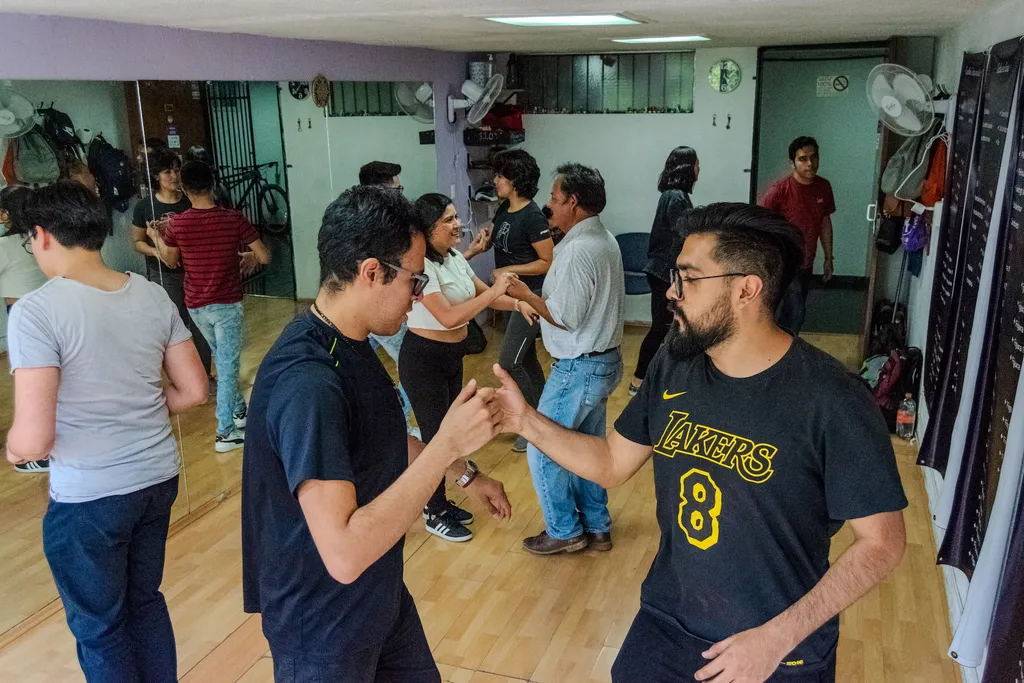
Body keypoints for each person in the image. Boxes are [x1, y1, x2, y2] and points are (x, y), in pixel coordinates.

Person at [492, 202, 908, 682]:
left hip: (777, 646)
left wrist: (776, 637)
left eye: (687, 278)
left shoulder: (832, 399)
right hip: (668, 619)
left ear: (747, 289)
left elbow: (882, 543)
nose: (670, 292)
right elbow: (610, 462)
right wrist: (526, 422)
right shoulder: (675, 364)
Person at [241, 185, 511, 682]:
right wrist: (449, 442)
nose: (418, 293)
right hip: (323, 625)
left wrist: (466, 474)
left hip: (378, 596)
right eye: (414, 279)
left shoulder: (348, 341)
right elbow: (343, 553)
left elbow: (381, 438)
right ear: (370, 272)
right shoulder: (308, 383)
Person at [5, 181, 208, 682]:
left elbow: (33, 441)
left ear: (42, 235)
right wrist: (133, 405)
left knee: (100, 627)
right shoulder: (151, 294)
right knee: (143, 602)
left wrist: (12, 450)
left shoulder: (36, 311)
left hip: (90, 497)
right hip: (156, 480)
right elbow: (195, 391)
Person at [505, 163, 625, 555]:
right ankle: (596, 527)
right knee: (588, 449)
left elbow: (567, 316)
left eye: (555, 199)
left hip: (579, 368)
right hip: (601, 361)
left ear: (574, 202)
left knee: (543, 446)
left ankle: (564, 530)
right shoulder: (604, 239)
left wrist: (525, 295)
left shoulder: (577, 251)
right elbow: (573, 309)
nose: (548, 206)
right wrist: (536, 307)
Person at [400, 192, 534, 542]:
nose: (457, 224)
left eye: (455, 216)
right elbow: (448, 316)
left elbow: (484, 292)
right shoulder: (422, 267)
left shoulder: (454, 257)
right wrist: (493, 295)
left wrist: (519, 303)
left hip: (450, 357)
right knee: (436, 439)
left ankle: (441, 501)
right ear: (428, 229)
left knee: (450, 434)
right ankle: (433, 510)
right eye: (448, 219)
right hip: (423, 358)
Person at [149, 160, 270, 453]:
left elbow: (171, 261)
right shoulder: (233, 219)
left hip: (196, 305)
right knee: (228, 367)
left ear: (184, 189)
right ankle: (224, 432)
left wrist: (154, 236)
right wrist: (249, 258)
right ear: (214, 185)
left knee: (222, 360)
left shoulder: (178, 224)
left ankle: (240, 413)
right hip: (226, 304)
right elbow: (264, 256)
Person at [479, 149, 553, 453]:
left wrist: (509, 270)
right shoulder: (504, 209)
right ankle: (549, 418)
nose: (495, 181)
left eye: (501, 177)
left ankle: (534, 426)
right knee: (526, 359)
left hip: (529, 300)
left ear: (516, 181)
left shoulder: (533, 215)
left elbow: (546, 261)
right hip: (508, 299)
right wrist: (480, 242)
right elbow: (495, 239)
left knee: (509, 361)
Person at [132, 149, 215, 389]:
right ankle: (177, 379)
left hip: (194, 273)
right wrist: (158, 250)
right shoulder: (145, 206)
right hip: (164, 275)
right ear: (157, 176)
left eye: (177, 169)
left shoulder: (190, 201)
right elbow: (137, 242)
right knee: (169, 327)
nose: (174, 175)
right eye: (167, 171)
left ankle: (204, 377)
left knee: (199, 326)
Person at [630, 146, 699, 397]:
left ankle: (659, 377)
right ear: (686, 168)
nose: (698, 169)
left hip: (661, 270)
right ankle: (639, 379)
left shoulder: (673, 195)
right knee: (662, 327)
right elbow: (686, 232)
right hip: (663, 271)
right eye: (696, 164)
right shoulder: (676, 197)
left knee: (667, 327)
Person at [760, 136, 836, 335]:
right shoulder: (780, 190)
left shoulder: (824, 187)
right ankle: (781, 358)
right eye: (803, 159)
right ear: (792, 163)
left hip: (807, 262)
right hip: (784, 263)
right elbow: (759, 224)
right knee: (791, 314)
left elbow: (825, 223)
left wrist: (828, 258)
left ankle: (785, 353)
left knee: (796, 313)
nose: (810, 163)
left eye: (814, 157)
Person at [0, 185, 49, 474]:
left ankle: (39, 452)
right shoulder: (41, 237)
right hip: (50, 311)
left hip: (21, 316)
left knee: (30, 384)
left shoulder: (5, 246)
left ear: (6, 213)